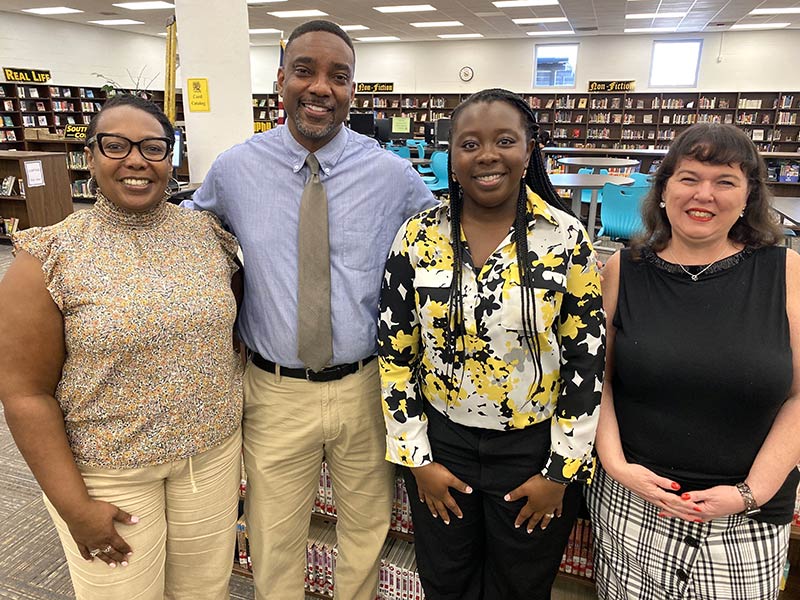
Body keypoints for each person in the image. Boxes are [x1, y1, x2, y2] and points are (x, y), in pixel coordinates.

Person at [183, 20, 436, 600]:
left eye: (338, 76)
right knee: (274, 537)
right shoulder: (234, 169)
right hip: (274, 392)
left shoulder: (393, 176)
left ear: (353, 90)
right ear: (279, 81)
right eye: (305, 71)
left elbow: (446, 249)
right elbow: (184, 237)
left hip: (369, 387)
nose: (320, 87)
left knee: (368, 530)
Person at [0, 94, 243, 599]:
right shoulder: (50, 255)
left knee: (206, 592)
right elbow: (24, 394)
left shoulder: (207, 235)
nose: (136, 160)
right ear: (90, 157)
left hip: (212, 458)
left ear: (170, 160)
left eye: (154, 148)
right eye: (116, 145)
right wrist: (74, 508)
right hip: (108, 472)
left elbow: (232, 331)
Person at [378, 88, 605, 599]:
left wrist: (560, 473)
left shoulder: (565, 239)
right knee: (445, 580)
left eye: (504, 140)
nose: (486, 155)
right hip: (443, 445)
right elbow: (395, 354)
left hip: (533, 450)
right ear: (450, 157)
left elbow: (586, 362)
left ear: (529, 151)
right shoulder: (416, 237)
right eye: (468, 143)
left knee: (520, 585)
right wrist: (418, 460)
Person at [586, 122, 800, 600]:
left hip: (744, 518)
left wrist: (752, 492)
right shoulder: (625, 269)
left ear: (749, 196)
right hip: (635, 503)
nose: (704, 194)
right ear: (663, 190)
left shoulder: (786, 272)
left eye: (725, 181)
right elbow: (597, 379)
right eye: (689, 178)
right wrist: (616, 465)